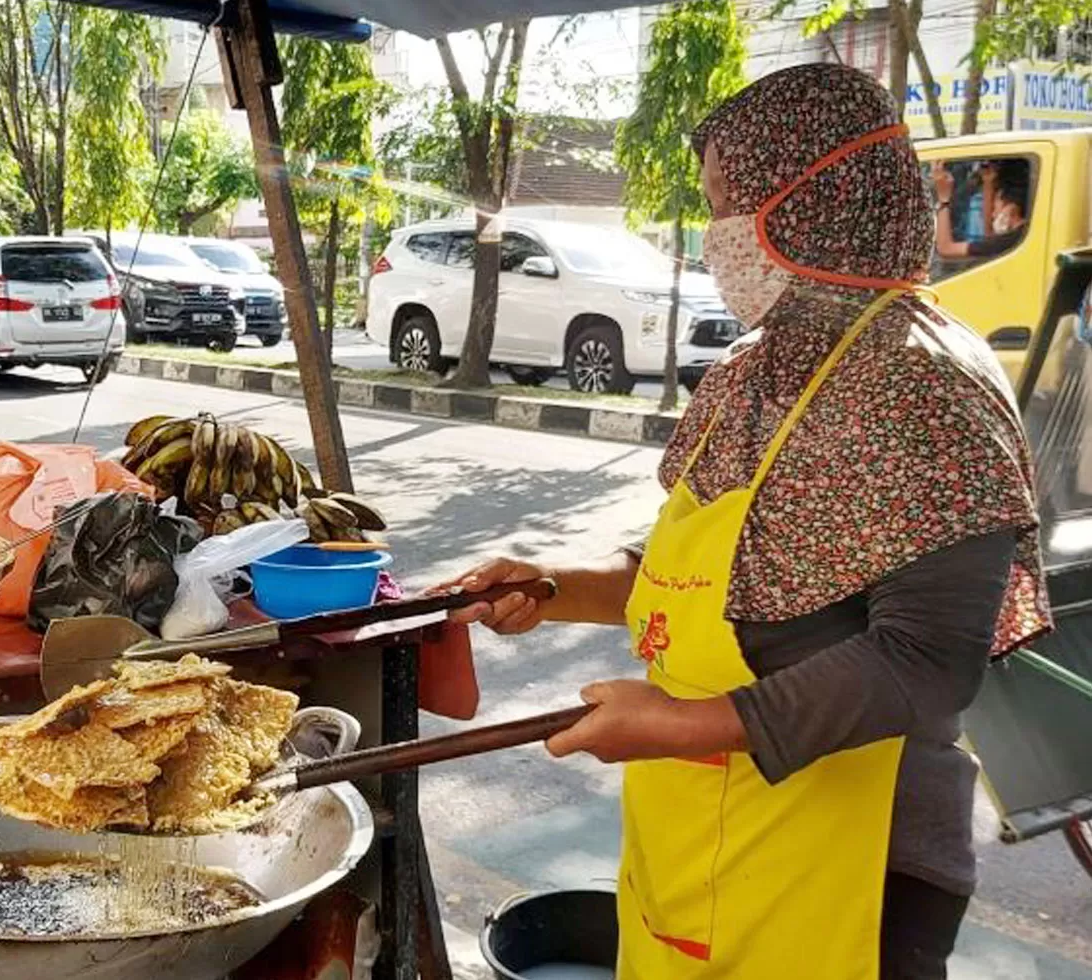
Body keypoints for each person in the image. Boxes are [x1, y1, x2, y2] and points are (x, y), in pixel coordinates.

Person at [444, 64, 1050, 980]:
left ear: (817, 203)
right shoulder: (757, 369)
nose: (718, 235)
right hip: (704, 836)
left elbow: (926, 662)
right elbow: (709, 576)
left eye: (731, 205)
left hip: (855, 860)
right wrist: (554, 585)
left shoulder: (928, 386)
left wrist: (677, 727)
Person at [933, 158, 1029, 261]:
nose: (992, 215)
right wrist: (988, 183)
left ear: (1010, 207)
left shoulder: (1010, 241)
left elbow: (946, 248)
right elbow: (989, 237)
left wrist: (944, 199)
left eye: (994, 208)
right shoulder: (1023, 235)